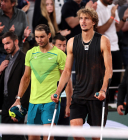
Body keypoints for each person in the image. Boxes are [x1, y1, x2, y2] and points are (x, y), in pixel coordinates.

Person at [51, 8, 112, 140]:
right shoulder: (72, 42)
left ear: (93, 22)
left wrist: (103, 89)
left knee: (96, 137)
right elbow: (67, 70)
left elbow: (108, 69)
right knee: (76, 132)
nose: (82, 21)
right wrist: (58, 91)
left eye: (86, 18)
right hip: (79, 94)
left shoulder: (103, 40)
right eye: (81, 18)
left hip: (97, 95)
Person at [11, 24, 68, 140]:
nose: (39, 40)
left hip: (51, 102)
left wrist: (58, 93)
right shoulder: (30, 53)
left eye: (42, 36)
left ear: (49, 35)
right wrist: (18, 98)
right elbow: (26, 78)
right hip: (33, 103)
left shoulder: (60, 54)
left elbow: (65, 77)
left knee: (48, 137)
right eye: (37, 37)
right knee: (32, 138)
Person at [0, 0, 31, 108]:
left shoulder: (21, 14)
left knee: (18, 82)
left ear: (13, 3)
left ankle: (18, 108)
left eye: (5, 1)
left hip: (18, 54)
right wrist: (4, 34)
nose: (2, 3)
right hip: (0, 54)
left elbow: (24, 37)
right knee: (0, 83)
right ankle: (0, 109)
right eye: (1, 1)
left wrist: (26, 35)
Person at [0, 31, 30, 140]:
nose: (5, 47)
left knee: (17, 136)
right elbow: (5, 81)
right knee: (5, 136)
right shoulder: (7, 58)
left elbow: (28, 84)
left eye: (8, 43)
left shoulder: (24, 58)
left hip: (17, 103)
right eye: (4, 44)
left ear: (16, 42)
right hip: (5, 102)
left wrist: (20, 108)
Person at [96, 0, 128, 103]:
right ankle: (102, 101)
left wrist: (124, 18)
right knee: (104, 77)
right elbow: (100, 30)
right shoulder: (96, 7)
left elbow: (118, 28)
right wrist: (112, 16)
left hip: (115, 46)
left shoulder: (112, 6)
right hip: (103, 48)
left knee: (116, 77)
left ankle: (110, 102)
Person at [52, 33, 73, 140]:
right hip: (51, 99)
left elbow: (69, 82)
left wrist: (69, 104)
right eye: (59, 45)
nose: (62, 48)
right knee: (49, 133)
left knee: (62, 135)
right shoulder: (49, 59)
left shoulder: (67, 58)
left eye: (64, 45)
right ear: (53, 45)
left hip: (64, 100)